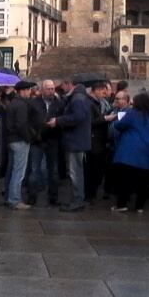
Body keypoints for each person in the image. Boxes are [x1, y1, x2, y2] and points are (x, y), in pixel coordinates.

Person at [111, 93, 149, 213]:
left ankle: (122, 205)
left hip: (131, 153)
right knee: (144, 182)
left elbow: (118, 125)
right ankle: (140, 206)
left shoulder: (132, 114)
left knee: (126, 180)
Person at [49, 78, 92, 212]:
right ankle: (77, 199)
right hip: (77, 140)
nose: (62, 88)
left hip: (76, 141)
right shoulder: (78, 97)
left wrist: (58, 120)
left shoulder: (78, 98)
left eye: (63, 85)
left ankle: (78, 200)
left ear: (69, 84)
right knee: (75, 171)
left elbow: (77, 117)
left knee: (75, 172)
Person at [27, 79, 64, 206]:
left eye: (52, 88)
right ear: (42, 90)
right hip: (37, 140)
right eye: (48, 88)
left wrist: (57, 124)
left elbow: (63, 119)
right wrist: (33, 135)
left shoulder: (59, 103)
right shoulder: (33, 103)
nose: (51, 91)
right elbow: (29, 121)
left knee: (53, 170)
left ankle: (53, 197)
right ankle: (32, 196)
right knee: (34, 169)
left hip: (53, 139)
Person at [4, 81, 35, 210]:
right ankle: (15, 199)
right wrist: (28, 138)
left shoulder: (12, 103)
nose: (30, 92)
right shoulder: (21, 105)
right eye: (28, 90)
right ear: (22, 91)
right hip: (19, 141)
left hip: (11, 140)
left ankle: (8, 196)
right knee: (19, 172)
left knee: (11, 170)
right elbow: (21, 125)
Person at [86, 81, 113, 204]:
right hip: (94, 141)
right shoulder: (90, 103)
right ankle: (89, 195)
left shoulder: (98, 103)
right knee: (93, 170)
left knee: (97, 170)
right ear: (96, 91)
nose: (104, 94)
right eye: (103, 92)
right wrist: (106, 118)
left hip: (100, 141)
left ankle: (91, 194)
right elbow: (91, 121)